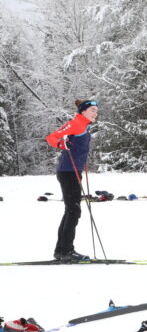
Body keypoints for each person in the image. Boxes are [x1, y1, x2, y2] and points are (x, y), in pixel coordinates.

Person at [45, 99, 98, 262]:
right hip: (67, 171)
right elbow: (51, 137)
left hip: (74, 171)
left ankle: (61, 250)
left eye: (96, 110)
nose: (95, 113)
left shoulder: (85, 126)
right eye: (92, 110)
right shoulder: (75, 123)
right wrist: (61, 144)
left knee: (71, 211)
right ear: (83, 112)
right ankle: (66, 251)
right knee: (73, 211)